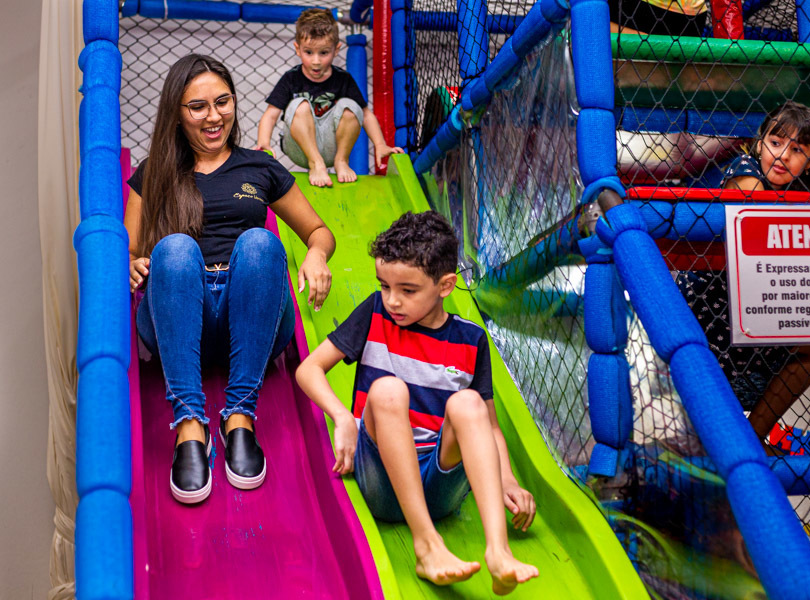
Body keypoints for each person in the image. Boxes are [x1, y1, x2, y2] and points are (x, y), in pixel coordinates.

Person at [125, 54, 336, 504]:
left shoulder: (259, 167)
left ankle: (240, 417)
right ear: (177, 114)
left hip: (251, 318)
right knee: (175, 249)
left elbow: (319, 232)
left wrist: (317, 256)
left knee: (260, 243)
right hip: (179, 318)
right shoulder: (155, 173)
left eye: (223, 102)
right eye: (197, 106)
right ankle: (189, 424)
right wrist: (130, 264)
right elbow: (131, 251)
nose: (214, 115)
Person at [295, 212, 539, 594]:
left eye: (408, 290)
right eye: (385, 285)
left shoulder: (471, 339)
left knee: (469, 404)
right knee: (388, 390)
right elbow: (308, 370)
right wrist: (343, 418)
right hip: (383, 478)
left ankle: (498, 552)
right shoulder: (375, 313)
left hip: (440, 482)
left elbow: (488, 426)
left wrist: (507, 478)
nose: (393, 300)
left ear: (445, 286)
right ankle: (426, 545)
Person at [676, 101, 810, 453]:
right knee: (703, 417)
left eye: (797, 149)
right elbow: (756, 202)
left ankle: (751, 437)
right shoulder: (744, 166)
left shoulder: (803, 193)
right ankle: (714, 437)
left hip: (763, 314)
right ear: (759, 143)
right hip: (708, 312)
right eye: (775, 142)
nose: (782, 155)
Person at [255, 9, 403, 188]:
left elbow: (366, 115)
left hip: (332, 147)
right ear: (297, 49)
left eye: (323, 53)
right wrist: (263, 143)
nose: (316, 61)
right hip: (299, 148)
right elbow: (271, 115)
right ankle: (315, 163)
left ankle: (342, 161)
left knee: (351, 106)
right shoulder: (291, 78)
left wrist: (380, 144)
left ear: (336, 50)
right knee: (298, 105)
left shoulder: (343, 79)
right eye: (309, 52)